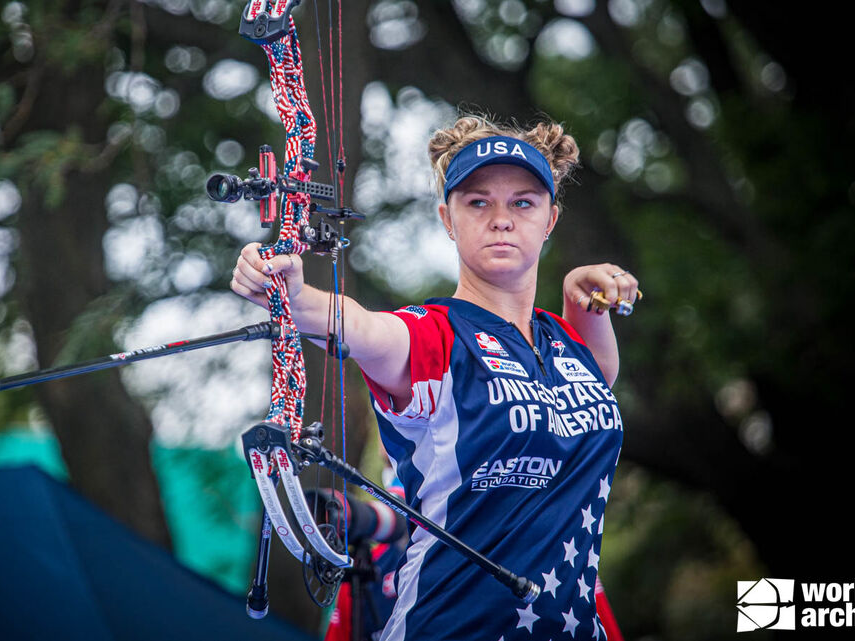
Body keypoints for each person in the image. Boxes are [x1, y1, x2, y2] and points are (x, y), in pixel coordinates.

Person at [232, 114, 637, 640]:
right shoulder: (435, 336)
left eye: (523, 202)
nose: (501, 218)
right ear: (448, 218)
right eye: (477, 202)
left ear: (550, 219)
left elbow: (593, 372)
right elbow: (361, 327)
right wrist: (293, 294)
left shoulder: (570, 346)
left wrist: (583, 293)